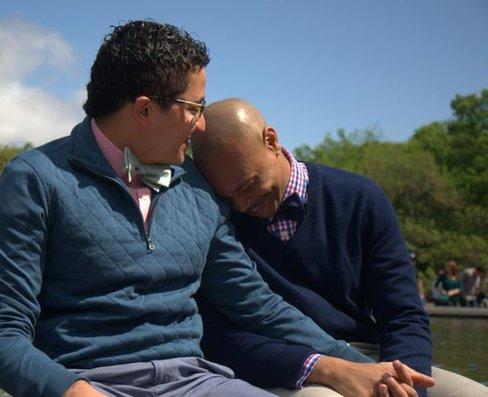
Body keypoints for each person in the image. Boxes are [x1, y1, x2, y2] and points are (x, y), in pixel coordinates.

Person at [0, 22, 433, 397]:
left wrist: (364, 368)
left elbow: (258, 306)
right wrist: (69, 390)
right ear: (145, 111)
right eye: (194, 107)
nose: (202, 124)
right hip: (87, 382)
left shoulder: (195, 186)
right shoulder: (35, 180)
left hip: (199, 380)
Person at [191, 98, 488, 397]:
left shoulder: (360, 198)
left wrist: (404, 386)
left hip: (370, 355)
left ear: (271, 141)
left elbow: (403, 315)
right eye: (228, 197)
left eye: (247, 186)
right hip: (286, 364)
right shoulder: (218, 223)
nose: (242, 205)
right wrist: (322, 367)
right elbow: (220, 338)